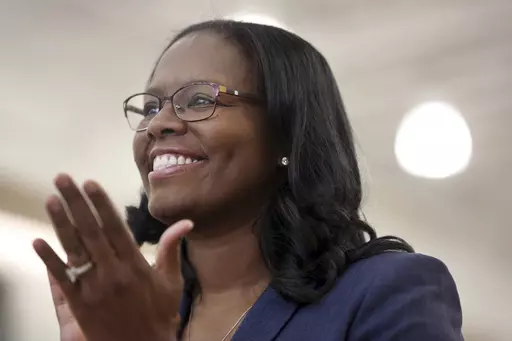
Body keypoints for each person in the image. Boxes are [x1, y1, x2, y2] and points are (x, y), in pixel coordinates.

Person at [33, 20, 464, 341]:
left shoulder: (388, 293)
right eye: (150, 107)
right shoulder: (135, 307)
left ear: (286, 134)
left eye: (199, 100)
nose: (158, 123)